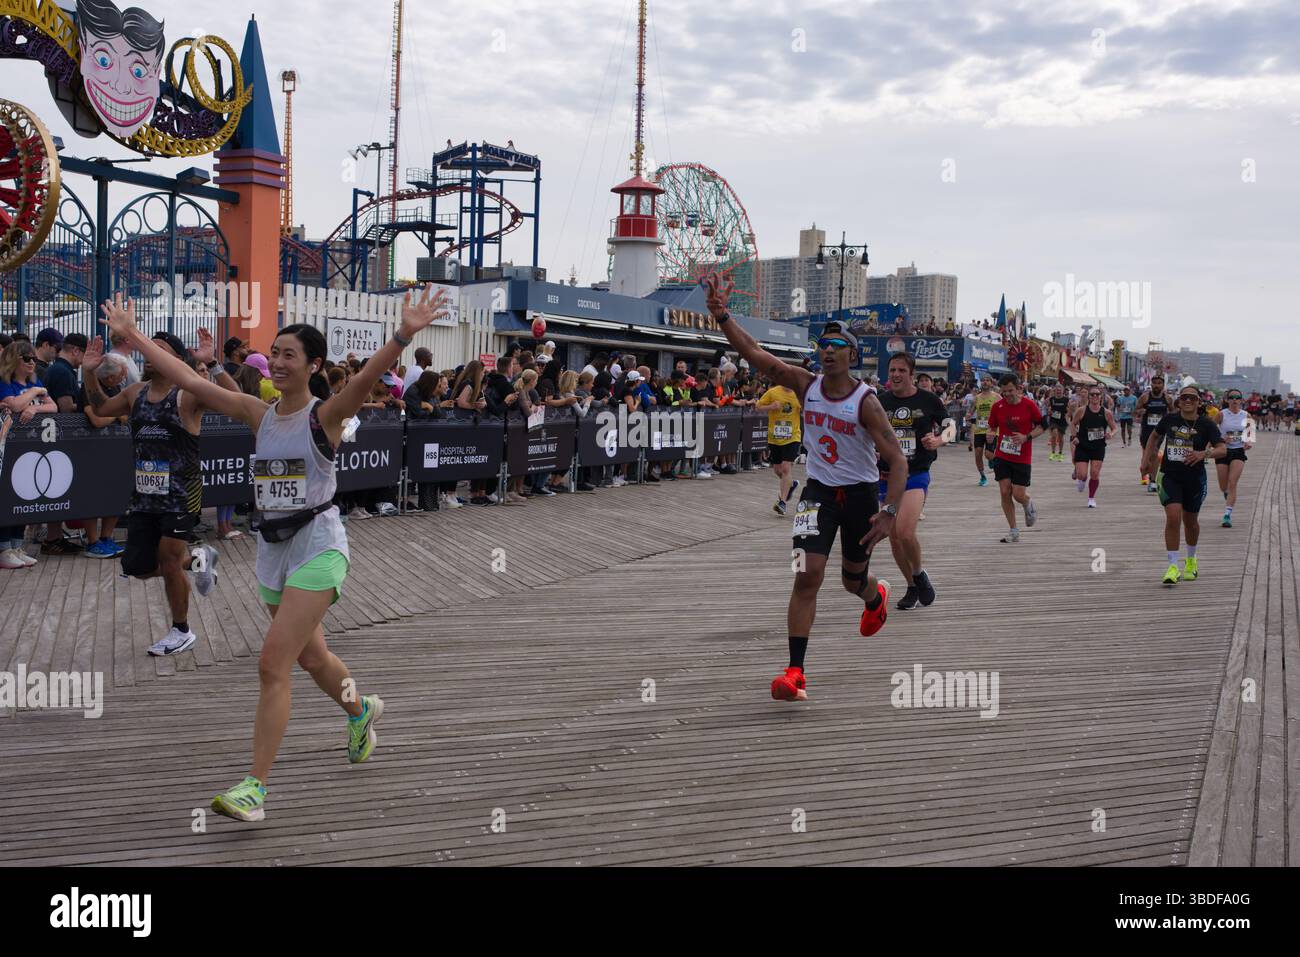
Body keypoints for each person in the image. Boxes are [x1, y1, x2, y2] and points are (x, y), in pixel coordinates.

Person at [101, 285, 449, 822]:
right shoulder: (258, 415)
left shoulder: (326, 416)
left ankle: (255, 789)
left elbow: (361, 381)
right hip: (273, 551)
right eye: (276, 352)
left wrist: (403, 333)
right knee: (313, 658)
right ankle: (360, 713)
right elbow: (189, 378)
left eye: (291, 354)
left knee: (272, 663)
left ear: (312, 365)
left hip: (320, 547)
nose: (280, 361)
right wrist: (130, 336)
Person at [703, 273, 905, 702]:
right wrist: (723, 318)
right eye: (822, 345)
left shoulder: (866, 402)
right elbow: (756, 354)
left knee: (853, 581)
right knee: (807, 575)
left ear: (851, 354)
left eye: (836, 346)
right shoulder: (804, 383)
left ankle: (874, 597)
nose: (826, 351)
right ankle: (795, 671)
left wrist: (889, 513)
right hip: (816, 495)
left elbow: (897, 459)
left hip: (861, 497)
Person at [83, 327, 236, 654]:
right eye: (149, 348)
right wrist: (88, 373)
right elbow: (99, 408)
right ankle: (198, 559)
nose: (150, 354)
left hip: (183, 493)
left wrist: (215, 365)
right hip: (144, 496)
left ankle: (181, 631)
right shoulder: (134, 392)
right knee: (136, 567)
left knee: (168, 558)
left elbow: (237, 400)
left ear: (176, 360)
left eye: (160, 349)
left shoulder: (188, 394)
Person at [878, 352, 949, 608]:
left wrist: (939, 439)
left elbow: (950, 425)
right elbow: (866, 431)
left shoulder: (929, 400)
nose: (896, 375)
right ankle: (910, 586)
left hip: (916, 474)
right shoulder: (880, 401)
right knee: (894, 538)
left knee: (905, 532)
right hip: (885, 477)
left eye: (901, 370)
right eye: (892, 370)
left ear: (911, 374)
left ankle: (919, 574)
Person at [1142, 385, 1226, 585]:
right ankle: (1172, 566)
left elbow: (1222, 449)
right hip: (1170, 475)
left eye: (1192, 398)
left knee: (1191, 522)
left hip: (1194, 479)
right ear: (1178, 401)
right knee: (1173, 518)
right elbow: (1154, 436)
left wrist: (1202, 454)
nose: (1188, 401)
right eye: (1184, 397)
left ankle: (1191, 560)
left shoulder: (1206, 424)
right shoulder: (1170, 419)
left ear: (1199, 402)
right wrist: (1146, 459)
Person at [0, 342, 57, 570]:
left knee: (24, 496)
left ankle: (16, 546)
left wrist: (34, 408)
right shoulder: (6, 383)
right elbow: (13, 405)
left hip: (29, 449)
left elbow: (52, 407)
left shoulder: (37, 382)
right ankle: (4, 548)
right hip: (7, 449)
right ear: (14, 360)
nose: (32, 362)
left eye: (33, 358)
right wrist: (35, 393)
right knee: (7, 499)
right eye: (26, 358)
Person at [986, 373, 1043, 543]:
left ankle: (1027, 503)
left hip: (1022, 456)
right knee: (1004, 491)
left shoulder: (1029, 405)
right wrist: (990, 436)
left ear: (1018, 388)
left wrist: (1026, 437)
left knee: (1018, 494)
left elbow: (1042, 426)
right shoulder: (998, 407)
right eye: (1004, 392)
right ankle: (1014, 530)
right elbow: (992, 426)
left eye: (1011, 391)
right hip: (1003, 454)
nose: (1008, 395)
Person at [754, 375, 802, 514]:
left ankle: (782, 502)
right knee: (778, 470)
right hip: (775, 437)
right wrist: (771, 406)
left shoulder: (797, 395)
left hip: (793, 436)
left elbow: (806, 408)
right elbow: (757, 407)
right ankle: (790, 485)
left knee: (786, 468)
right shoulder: (773, 392)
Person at [1068, 386, 1118, 508]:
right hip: (1083, 446)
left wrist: (1110, 434)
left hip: (1098, 446)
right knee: (1082, 474)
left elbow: (1114, 428)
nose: (1095, 397)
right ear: (1089, 397)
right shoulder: (1081, 410)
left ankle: (1091, 498)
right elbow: (1073, 424)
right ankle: (1081, 480)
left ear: (1101, 397)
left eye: (1097, 394)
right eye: (1092, 395)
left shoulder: (1106, 413)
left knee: (1095, 473)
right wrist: (1074, 436)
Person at [1214, 390, 1250, 528]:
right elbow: (1211, 430)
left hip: (1238, 452)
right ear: (1227, 400)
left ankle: (1227, 515)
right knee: (1223, 486)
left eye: (1237, 398)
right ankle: (1228, 495)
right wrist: (1221, 439)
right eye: (1231, 398)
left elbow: (1250, 433)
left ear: (1241, 400)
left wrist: (1248, 442)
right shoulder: (1221, 414)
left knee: (1232, 482)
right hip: (1223, 452)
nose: (1234, 400)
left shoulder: (1246, 415)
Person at [1135, 374, 1170, 490]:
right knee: (1147, 459)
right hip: (1146, 431)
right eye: (1154, 383)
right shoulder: (1145, 397)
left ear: (1163, 385)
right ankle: (1147, 472)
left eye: (1159, 383)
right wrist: (1141, 411)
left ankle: (1153, 481)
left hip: (1159, 431)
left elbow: (1174, 411)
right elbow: (1135, 411)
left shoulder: (1168, 398)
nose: (1157, 385)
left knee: (1154, 453)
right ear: (1151, 384)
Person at [970, 377, 999, 486]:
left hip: (992, 430)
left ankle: (994, 461)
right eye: (983, 380)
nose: (985, 382)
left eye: (987, 380)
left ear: (991, 383)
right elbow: (971, 410)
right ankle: (983, 477)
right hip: (979, 430)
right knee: (978, 453)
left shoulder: (996, 397)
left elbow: (1003, 409)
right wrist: (968, 415)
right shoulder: (976, 398)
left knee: (988, 454)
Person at [1045, 383, 1069, 461]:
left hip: (1062, 420)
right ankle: (1053, 452)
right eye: (1057, 390)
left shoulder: (1066, 399)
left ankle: (1060, 453)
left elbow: (1069, 410)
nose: (1058, 391)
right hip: (1054, 420)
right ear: (1055, 391)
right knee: (1054, 434)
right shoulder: (1052, 399)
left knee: (1061, 437)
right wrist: (1049, 411)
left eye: (1060, 390)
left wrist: (1068, 413)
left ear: (1063, 391)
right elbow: (1048, 408)